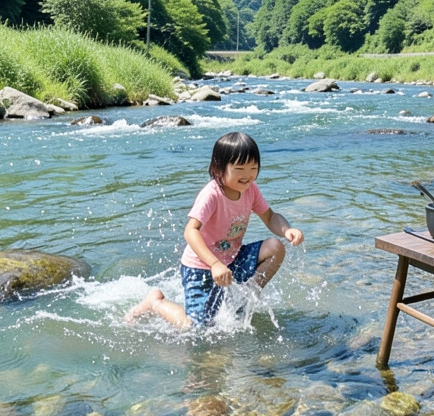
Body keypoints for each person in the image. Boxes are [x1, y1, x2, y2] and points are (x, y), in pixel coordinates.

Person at [126, 132, 304, 329]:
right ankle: (155, 302)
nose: (247, 175)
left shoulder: (251, 190)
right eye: (239, 169)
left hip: (231, 261)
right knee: (195, 327)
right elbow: (190, 231)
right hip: (201, 267)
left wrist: (287, 229)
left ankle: (243, 298)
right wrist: (214, 264)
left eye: (253, 168)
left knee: (275, 247)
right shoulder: (212, 194)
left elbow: (270, 217)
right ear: (219, 168)